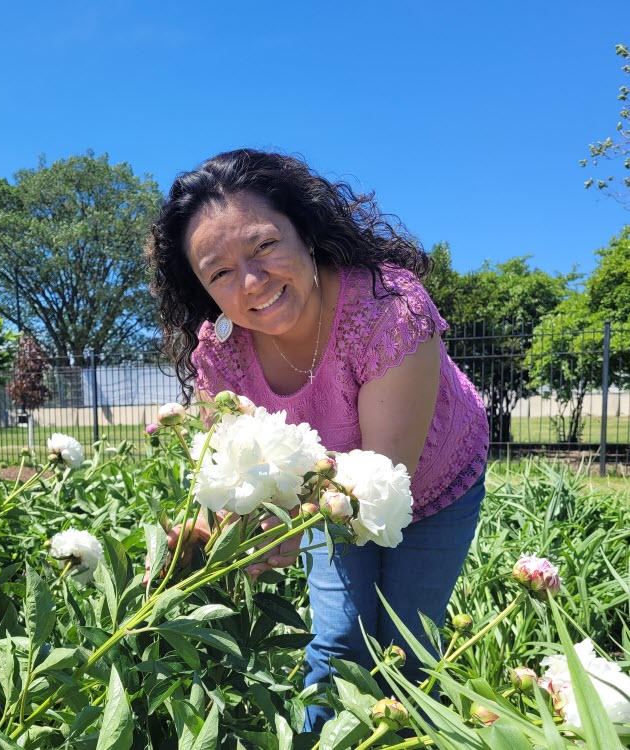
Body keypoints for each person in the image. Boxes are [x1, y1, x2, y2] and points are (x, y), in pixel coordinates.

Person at [145, 148, 490, 731]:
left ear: (304, 231)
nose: (252, 282)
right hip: (322, 498)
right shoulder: (219, 353)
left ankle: (406, 737)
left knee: (409, 649)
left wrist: (284, 521)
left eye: (263, 246)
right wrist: (218, 529)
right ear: (203, 288)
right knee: (337, 643)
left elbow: (379, 481)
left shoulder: (387, 306)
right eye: (220, 272)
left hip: (430, 483)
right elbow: (239, 469)